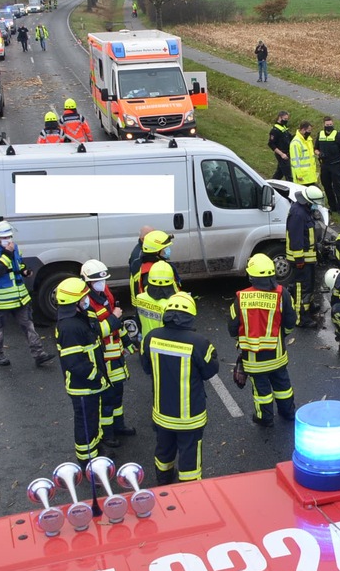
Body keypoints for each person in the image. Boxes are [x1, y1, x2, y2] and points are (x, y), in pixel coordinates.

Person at [139, 292, 219, 484]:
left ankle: (163, 482)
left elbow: (146, 367)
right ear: (190, 316)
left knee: (163, 451)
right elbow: (210, 371)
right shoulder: (199, 342)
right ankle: (188, 493)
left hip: (162, 413)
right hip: (190, 418)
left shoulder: (151, 338)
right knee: (190, 455)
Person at [229, 254, 297, 427]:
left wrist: (242, 339)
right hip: (277, 355)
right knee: (283, 385)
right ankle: (288, 413)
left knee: (261, 391)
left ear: (252, 276)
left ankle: (265, 418)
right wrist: (282, 336)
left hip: (254, 360)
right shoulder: (283, 295)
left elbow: (232, 328)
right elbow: (290, 322)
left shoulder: (241, 298)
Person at [0, 220, 55, 368]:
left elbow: (17, 264)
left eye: (9, 236)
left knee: (28, 325)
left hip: (20, 297)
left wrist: (24, 271)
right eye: (5, 237)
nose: (8, 240)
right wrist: (7, 253)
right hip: (2, 300)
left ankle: (39, 354)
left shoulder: (14, 248)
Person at [54, 277, 108, 463]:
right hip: (83, 385)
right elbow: (75, 363)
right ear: (74, 302)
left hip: (90, 384)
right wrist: (97, 376)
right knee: (85, 422)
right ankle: (87, 461)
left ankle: (96, 447)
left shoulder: (79, 318)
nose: (87, 299)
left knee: (93, 418)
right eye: (84, 297)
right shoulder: (70, 327)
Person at [82, 259, 136, 446]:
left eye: (103, 280)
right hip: (103, 358)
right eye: (97, 281)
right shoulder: (87, 303)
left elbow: (116, 323)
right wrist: (114, 317)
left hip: (116, 355)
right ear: (87, 282)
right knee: (106, 398)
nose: (102, 284)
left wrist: (127, 341)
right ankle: (107, 434)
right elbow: (97, 331)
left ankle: (119, 425)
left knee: (118, 394)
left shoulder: (104, 293)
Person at [287, 185, 324, 327]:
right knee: (301, 288)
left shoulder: (304, 210)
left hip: (308, 258)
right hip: (301, 260)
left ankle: (309, 306)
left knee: (309, 285)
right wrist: (299, 260)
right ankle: (301, 318)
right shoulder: (298, 214)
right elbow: (295, 239)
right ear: (308, 200)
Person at [128, 229, 180, 306]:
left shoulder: (146, 264)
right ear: (156, 251)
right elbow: (163, 297)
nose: (168, 250)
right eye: (165, 248)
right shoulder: (154, 272)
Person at [133, 260, 179, 345]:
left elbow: (138, 323)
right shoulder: (172, 304)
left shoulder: (140, 298)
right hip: (164, 347)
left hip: (146, 343)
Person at [316, 116, 340, 214]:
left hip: (335, 165)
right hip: (324, 165)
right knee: (326, 186)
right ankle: (333, 206)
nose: (329, 126)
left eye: (330, 125)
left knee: (337, 187)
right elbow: (315, 148)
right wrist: (319, 153)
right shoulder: (320, 135)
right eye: (327, 125)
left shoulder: (338, 135)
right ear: (323, 124)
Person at [289, 121, 319, 187]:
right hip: (302, 178)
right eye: (309, 130)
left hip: (310, 176)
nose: (310, 132)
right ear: (302, 130)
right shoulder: (295, 143)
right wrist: (299, 175)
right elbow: (295, 161)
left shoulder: (308, 140)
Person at [267, 111, 293, 181]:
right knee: (289, 175)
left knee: (279, 173)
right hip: (282, 154)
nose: (286, 120)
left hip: (287, 153)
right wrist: (281, 154)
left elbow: (289, 137)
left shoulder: (284, 126)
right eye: (285, 119)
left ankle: (270, 184)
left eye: (287, 119)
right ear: (280, 117)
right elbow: (271, 144)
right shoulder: (275, 130)